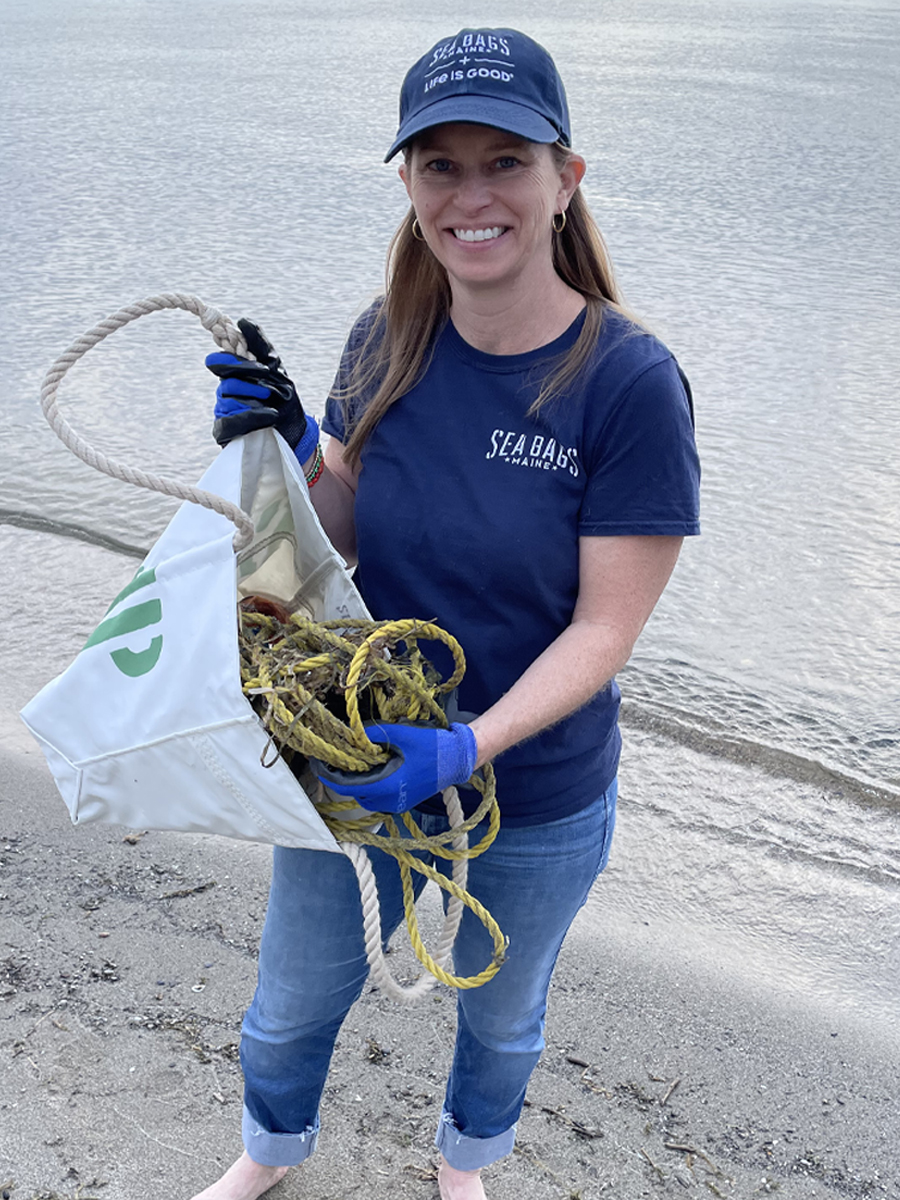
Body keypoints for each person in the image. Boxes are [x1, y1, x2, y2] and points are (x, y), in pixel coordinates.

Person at [195, 27, 700, 1200]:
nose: (472, 196)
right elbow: (337, 538)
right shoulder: (387, 337)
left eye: (505, 161)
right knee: (291, 1005)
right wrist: (278, 450)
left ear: (565, 180)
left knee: (502, 1019)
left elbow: (605, 631)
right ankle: (269, 1157)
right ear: (410, 182)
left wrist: (468, 745)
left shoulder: (629, 383)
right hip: (358, 758)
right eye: (440, 164)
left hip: (530, 792)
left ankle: (462, 1163)